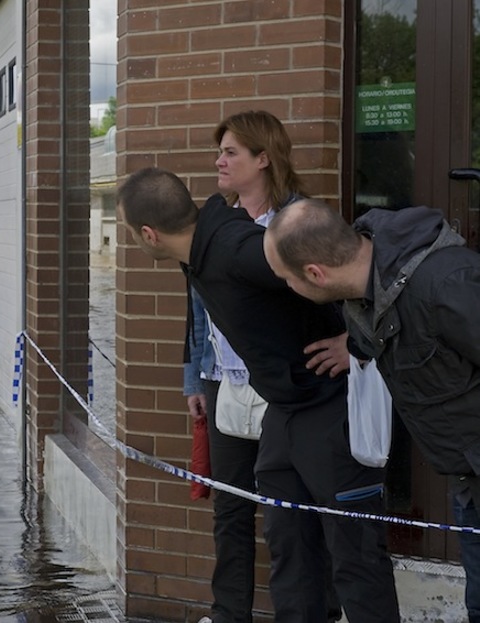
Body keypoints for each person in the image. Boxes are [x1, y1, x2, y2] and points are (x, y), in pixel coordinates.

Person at [117, 167, 400, 623]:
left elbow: (349, 263)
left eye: (129, 232)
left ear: (148, 234)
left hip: (332, 410)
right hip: (283, 413)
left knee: (355, 556)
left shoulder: (238, 250)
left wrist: (359, 342)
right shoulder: (201, 251)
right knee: (290, 550)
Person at [264, 198, 480, 623]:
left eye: (285, 279)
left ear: (314, 274)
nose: (287, 289)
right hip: (465, 478)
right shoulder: (366, 291)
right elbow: (389, 329)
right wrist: (353, 346)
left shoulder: (447, 283)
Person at [184, 111, 342, 623]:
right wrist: (196, 375)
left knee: (294, 517)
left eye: (231, 152)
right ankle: (229, 613)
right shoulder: (216, 224)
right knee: (230, 510)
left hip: (290, 394)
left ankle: (316, 609)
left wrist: (350, 342)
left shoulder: (300, 223)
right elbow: (199, 308)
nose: (219, 161)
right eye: (220, 151)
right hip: (227, 385)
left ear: (264, 158)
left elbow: (347, 287)